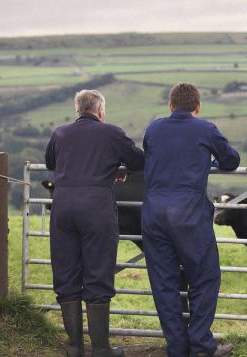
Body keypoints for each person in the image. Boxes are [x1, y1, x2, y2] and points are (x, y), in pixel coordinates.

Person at [141, 82, 240, 357]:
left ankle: (177, 347)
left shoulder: (153, 129)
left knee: (164, 283)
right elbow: (231, 160)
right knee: (206, 278)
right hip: (190, 215)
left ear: (170, 106)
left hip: (153, 215)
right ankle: (201, 343)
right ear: (197, 107)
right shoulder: (205, 129)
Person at [45, 89, 144, 357]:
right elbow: (138, 161)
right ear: (100, 110)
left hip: (63, 207)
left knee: (66, 273)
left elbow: (51, 162)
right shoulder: (111, 132)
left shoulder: (60, 133)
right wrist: (116, 168)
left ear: (78, 109)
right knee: (98, 273)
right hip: (96, 208)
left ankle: (74, 347)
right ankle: (100, 348)